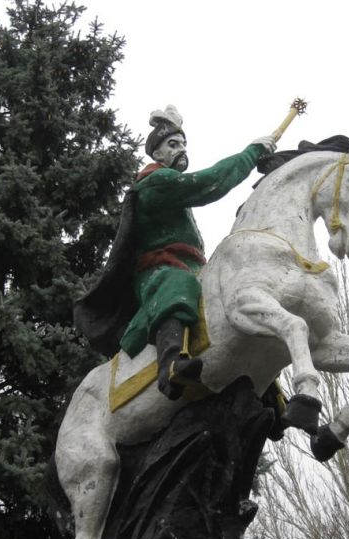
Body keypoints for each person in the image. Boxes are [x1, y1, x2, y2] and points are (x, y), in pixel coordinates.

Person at [74, 105, 276, 400]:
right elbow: (210, 182)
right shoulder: (155, 184)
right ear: (157, 154)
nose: (181, 149)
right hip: (158, 272)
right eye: (173, 144)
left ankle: (269, 389)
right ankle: (171, 364)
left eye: (183, 143)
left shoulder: (170, 188)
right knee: (178, 284)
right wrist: (251, 153)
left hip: (191, 266)